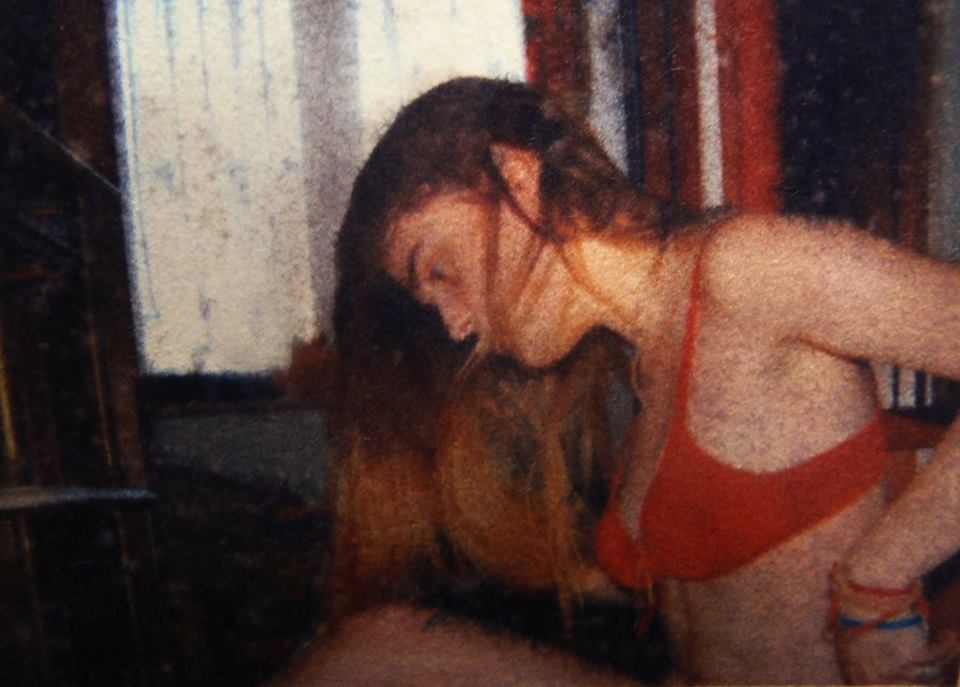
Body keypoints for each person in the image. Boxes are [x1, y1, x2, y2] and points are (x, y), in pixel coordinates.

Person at [282, 77, 960, 684]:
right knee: (374, 646)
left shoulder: (744, 269)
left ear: (517, 178)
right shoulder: (647, 368)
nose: (456, 325)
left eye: (439, 270)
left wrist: (880, 579)